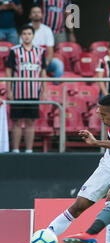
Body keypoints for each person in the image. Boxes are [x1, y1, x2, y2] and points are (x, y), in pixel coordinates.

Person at [18, 94, 110, 243]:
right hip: (106, 167)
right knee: (78, 206)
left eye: (103, 114)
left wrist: (96, 143)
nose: (99, 117)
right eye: (99, 113)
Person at [6, 25, 47, 154]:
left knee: (30, 121)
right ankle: (16, 149)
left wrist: (44, 90)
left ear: (33, 35)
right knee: (17, 121)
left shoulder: (40, 51)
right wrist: (9, 90)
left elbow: (43, 72)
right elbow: (8, 72)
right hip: (18, 92)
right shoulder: (14, 51)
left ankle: (29, 150)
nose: (27, 36)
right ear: (20, 35)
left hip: (34, 91)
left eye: (29, 33)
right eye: (24, 33)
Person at [27, 4, 64, 78]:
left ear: (42, 15)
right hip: (29, 63)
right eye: (34, 12)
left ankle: (55, 86)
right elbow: (23, 50)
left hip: (44, 62)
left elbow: (50, 52)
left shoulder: (47, 30)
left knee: (58, 64)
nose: (36, 14)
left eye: (38, 12)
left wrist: (44, 66)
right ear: (30, 15)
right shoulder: (25, 29)